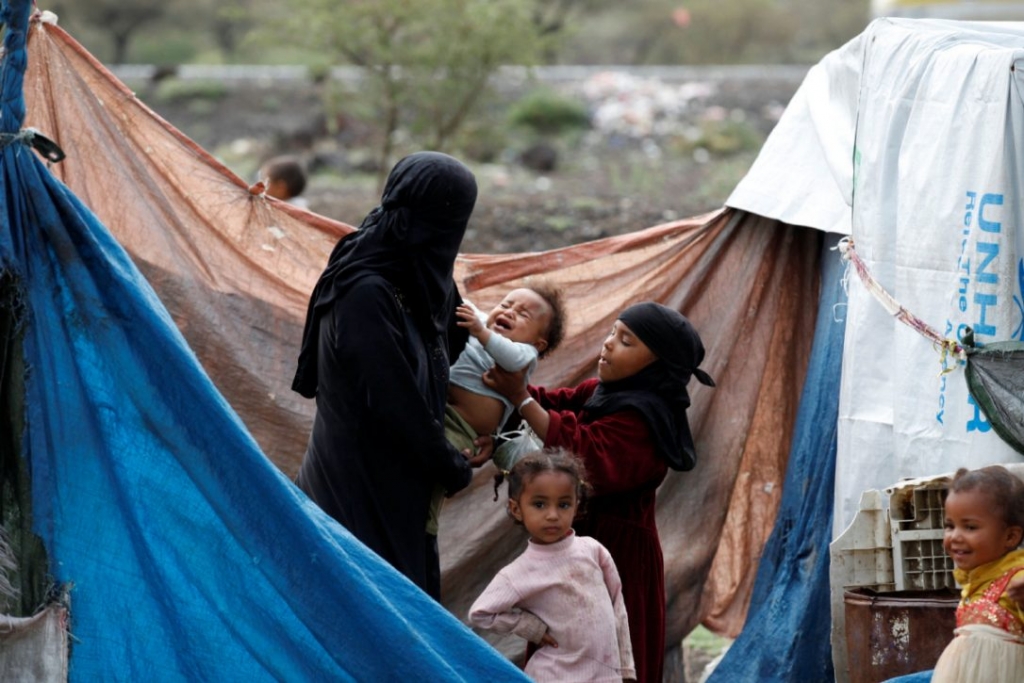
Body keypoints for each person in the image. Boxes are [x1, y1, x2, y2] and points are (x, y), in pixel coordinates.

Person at [483, 301, 715, 683]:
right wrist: (504, 394)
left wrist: (521, 399)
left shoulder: (644, 420)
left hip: (617, 561)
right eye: (613, 333)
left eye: (626, 341)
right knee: (560, 654)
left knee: (603, 658)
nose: (608, 345)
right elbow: (551, 405)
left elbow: (584, 453)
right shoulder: (603, 392)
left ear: (656, 365)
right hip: (578, 551)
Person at [291, 151, 485, 599]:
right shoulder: (365, 291)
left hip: (401, 495)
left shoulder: (422, 275)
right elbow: (393, 403)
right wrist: (451, 466)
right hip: (354, 494)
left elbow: (453, 356)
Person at [469, 448, 636, 683]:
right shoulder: (518, 573)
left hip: (606, 677)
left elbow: (618, 606)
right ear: (517, 509)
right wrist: (529, 627)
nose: (552, 515)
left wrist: (626, 669)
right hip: (553, 676)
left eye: (564, 505)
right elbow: (481, 613)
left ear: (576, 506)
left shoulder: (593, 550)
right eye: (539, 504)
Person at [427, 285, 566, 536]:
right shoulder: (482, 324)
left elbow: (509, 356)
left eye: (523, 314)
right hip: (439, 409)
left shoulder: (525, 354)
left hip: (463, 428)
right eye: (505, 305)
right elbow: (461, 306)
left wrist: (480, 331)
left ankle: (425, 523)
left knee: (432, 473)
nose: (510, 312)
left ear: (539, 342)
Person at [930, 466, 1024, 682]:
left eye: (970, 527)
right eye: (949, 526)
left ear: (1010, 536)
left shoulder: (1016, 576)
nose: (955, 536)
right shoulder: (974, 581)